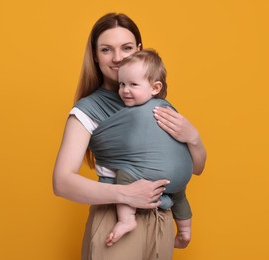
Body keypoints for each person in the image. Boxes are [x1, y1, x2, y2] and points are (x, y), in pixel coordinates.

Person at [53, 13, 206, 260]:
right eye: (106, 49)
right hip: (116, 221)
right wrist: (124, 194)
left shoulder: (157, 103)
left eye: (126, 48)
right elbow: (61, 183)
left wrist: (194, 138)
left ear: (138, 49)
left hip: (162, 222)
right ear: (95, 55)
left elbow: (195, 168)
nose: (117, 58)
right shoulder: (87, 110)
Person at [94, 49, 194, 247]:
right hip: (182, 174)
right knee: (180, 195)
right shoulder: (167, 107)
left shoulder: (134, 113)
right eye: (122, 84)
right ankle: (184, 231)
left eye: (133, 85)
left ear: (155, 88)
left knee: (123, 176)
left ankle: (126, 219)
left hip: (153, 174)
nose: (125, 90)